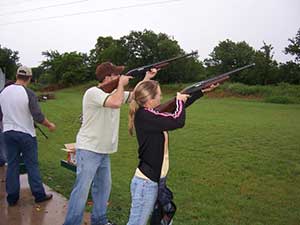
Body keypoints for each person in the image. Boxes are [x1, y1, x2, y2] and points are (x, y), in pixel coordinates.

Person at [63, 62, 156, 225]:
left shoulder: (115, 92)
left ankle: (99, 220)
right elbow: (115, 103)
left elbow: (136, 95)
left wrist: (147, 77)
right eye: (116, 75)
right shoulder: (93, 92)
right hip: (89, 149)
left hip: (103, 150)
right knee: (81, 191)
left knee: (103, 189)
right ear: (108, 77)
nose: (120, 77)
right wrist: (120, 85)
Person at [126, 79, 189, 225]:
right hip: (146, 183)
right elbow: (177, 120)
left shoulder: (149, 114)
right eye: (159, 95)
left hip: (155, 181)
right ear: (150, 99)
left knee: (163, 219)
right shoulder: (146, 117)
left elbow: (173, 111)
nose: (161, 98)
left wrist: (200, 92)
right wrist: (179, 101)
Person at [0, 66, 56, 206]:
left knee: (12, 165)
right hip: (26, 134)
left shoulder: (3, 92)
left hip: (7, 133)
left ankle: (12, 198)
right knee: (32, 165)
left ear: (16, 75)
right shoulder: (28, 93)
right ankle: (39, 194)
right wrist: (49, 125)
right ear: (29, 78)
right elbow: (37, 116)